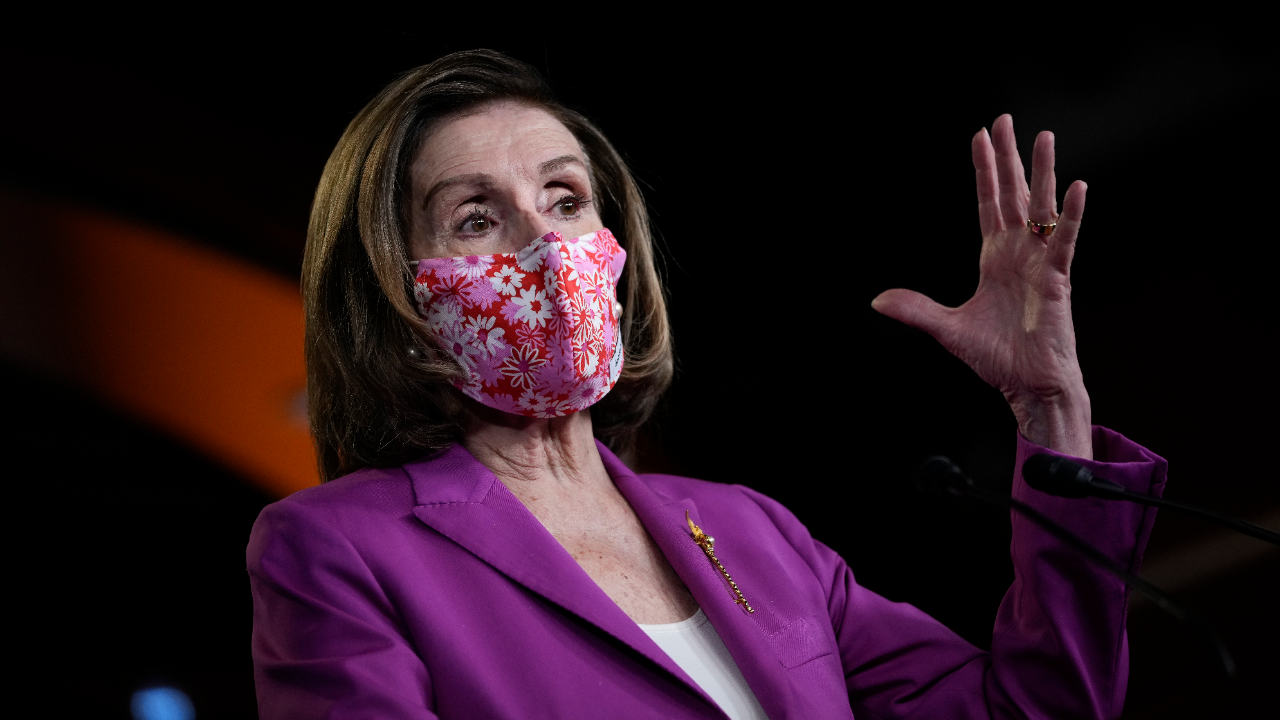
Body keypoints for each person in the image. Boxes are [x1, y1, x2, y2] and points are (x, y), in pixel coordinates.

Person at [248, 49, 1167, 719]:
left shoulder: (750, 529)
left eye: (567, 199)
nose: (544, 242)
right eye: (477, 216)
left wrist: (1050, 407)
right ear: (393, 298)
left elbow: (1036, 709)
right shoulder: (342, 549)